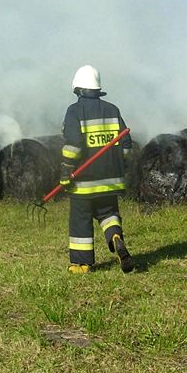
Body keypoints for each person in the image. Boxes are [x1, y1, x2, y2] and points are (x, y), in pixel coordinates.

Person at [60, 65, 134, 274]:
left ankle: (82, 264)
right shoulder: (112, 109)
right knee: (108, 213)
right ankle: (115, 237)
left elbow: (74, 145)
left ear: (77, 89)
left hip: (84, 179)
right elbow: (126, 144)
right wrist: (121, 166)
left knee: (81, 219)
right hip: (111, 179)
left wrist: (66, 170)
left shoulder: (74, 111)